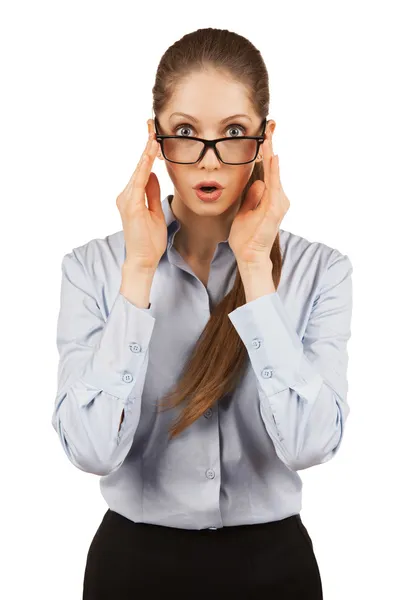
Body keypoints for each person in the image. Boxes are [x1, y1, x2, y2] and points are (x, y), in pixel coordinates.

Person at [51, 27, 353, 599]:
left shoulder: (322, 271)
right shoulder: (92, 268)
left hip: (274, 571)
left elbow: (312, 444)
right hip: (132, 570)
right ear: (155, 138)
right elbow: (89, 450)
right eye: (186, 132)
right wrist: (138, 274)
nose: (207, 160)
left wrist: (258, 273)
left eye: (233, 133)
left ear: (264, 140)